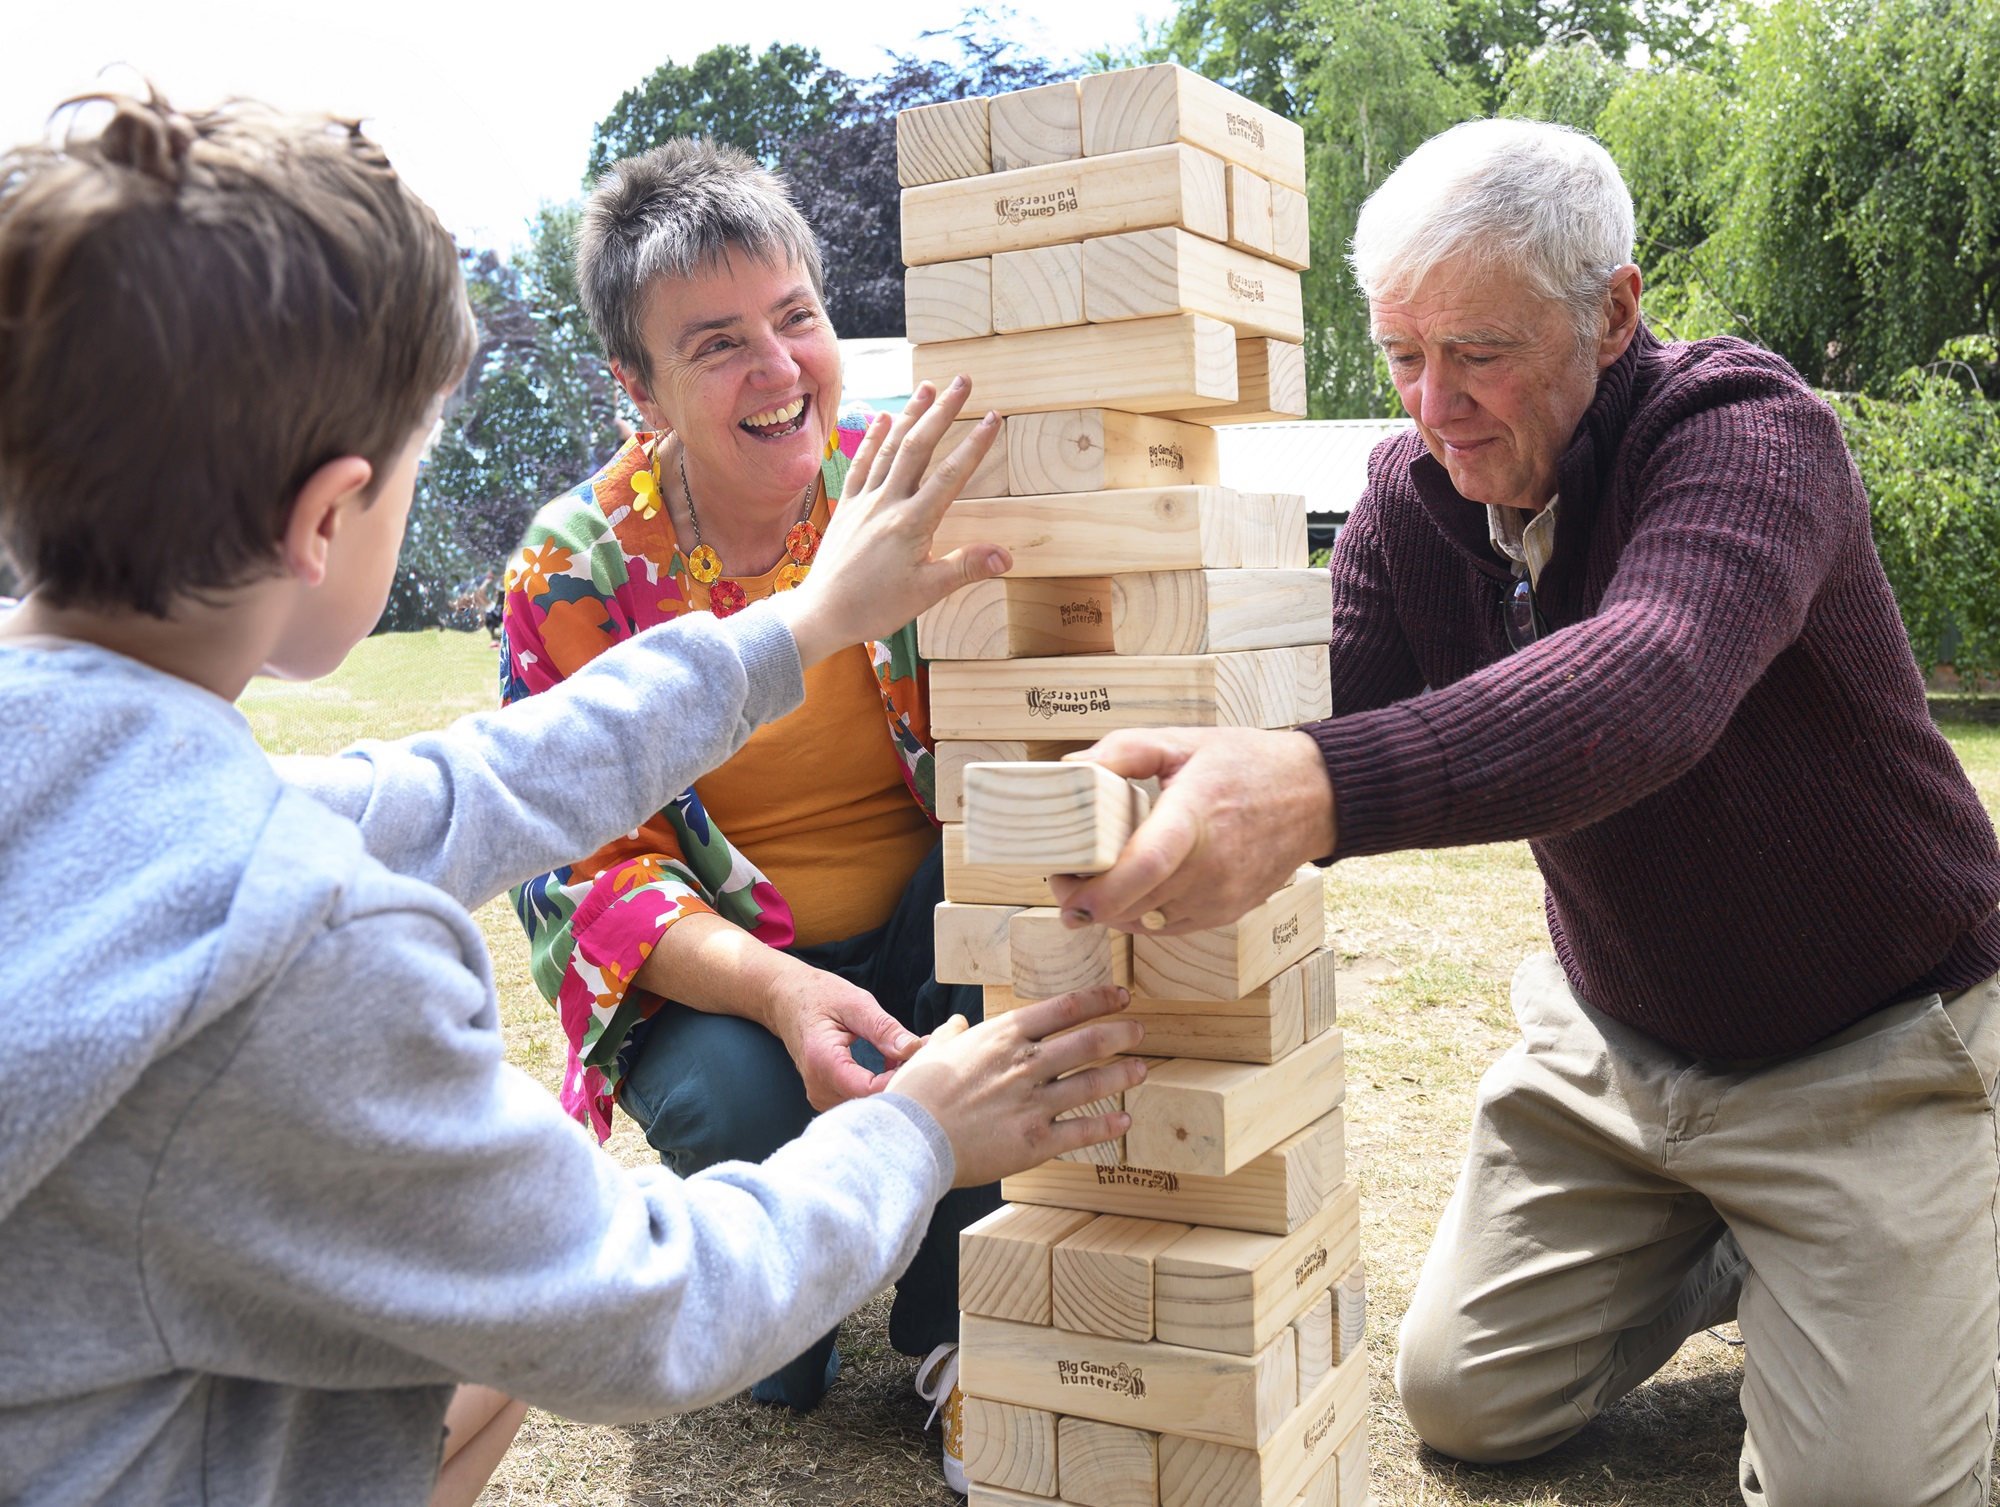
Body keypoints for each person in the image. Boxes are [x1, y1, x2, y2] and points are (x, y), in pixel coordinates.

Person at [0, 91, 1148, 1506]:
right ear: (324, 520)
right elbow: (639, 1315)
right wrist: (921, 1132)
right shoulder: (311, 955)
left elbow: (462, 782)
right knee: (537, 1316)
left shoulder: (98, 776)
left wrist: (801, 626)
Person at [1049, 117, 2000, 1507]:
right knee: (1463, 1400)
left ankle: (1927, 1235)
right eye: (1402, 357)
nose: (1433, 407)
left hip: (1875, 1052)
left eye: (1480, 354)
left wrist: (1316, 790)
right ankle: (1753, 1248)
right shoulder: (1409, 504)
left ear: (1612, 312)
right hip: (1619, 1052)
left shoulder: (1751, 437)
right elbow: (1305, 715)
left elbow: (1656, 679)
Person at [498, 137, 991, 1443]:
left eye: (798, 320)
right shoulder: (576, 568)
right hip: (731, 976)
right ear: (636, 387)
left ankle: (962, 1328)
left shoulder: (896, 480)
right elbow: (591, 869)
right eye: (717, 345)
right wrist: (786, 991)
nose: (780, 373)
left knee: (1011, 915)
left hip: (919, 928)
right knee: (749, 1123)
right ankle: (782, 1307)